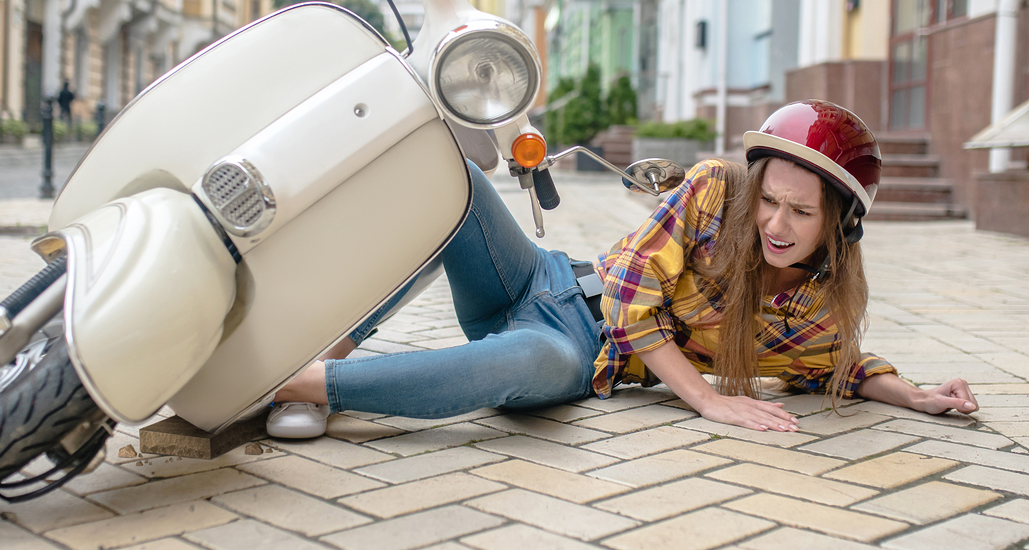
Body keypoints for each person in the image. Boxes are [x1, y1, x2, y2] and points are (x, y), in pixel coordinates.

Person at [266, 100, 978, 439]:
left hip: (577, 349)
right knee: (447, 180)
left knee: (518, 367)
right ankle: (330, 353)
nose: (774, 224)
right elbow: (632, 290)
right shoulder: (714, 191)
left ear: (840, 229)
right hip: (540, 279)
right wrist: (704, 396)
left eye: (801, 213)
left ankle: (300, 386)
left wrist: (914, 396)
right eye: (771, 200)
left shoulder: (810, 309)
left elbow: (840, 365)